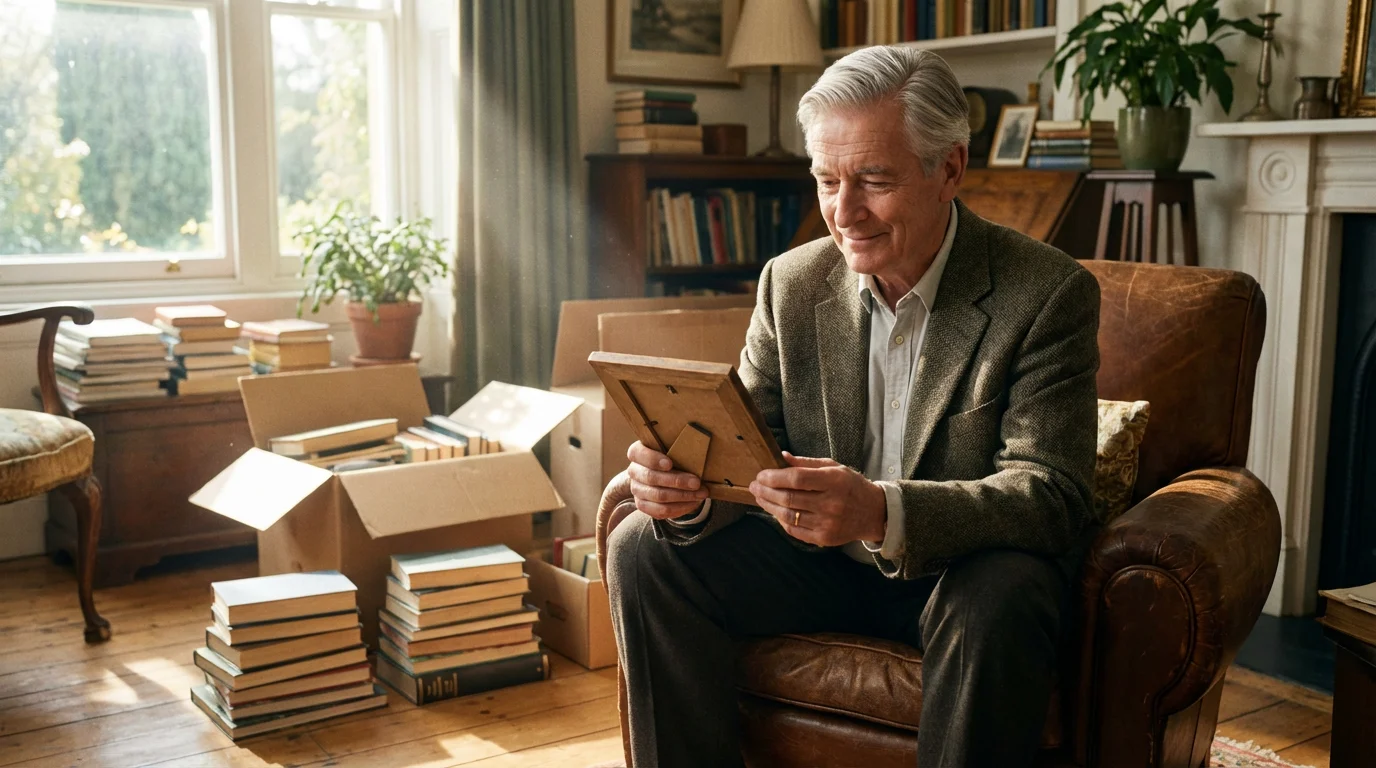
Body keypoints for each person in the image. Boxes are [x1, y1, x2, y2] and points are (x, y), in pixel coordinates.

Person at [603, 45, 1099, 768]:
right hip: (814, 562)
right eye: (827, 180)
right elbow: (754, 443)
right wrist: (689, 494)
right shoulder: (792, 283)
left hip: (955, 575)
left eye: (873, 180)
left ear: (950, 170)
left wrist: (880, 512)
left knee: (1005, 588)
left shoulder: (1046, 293)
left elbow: (1050, 495)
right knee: (643, 549)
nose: (843, 211)